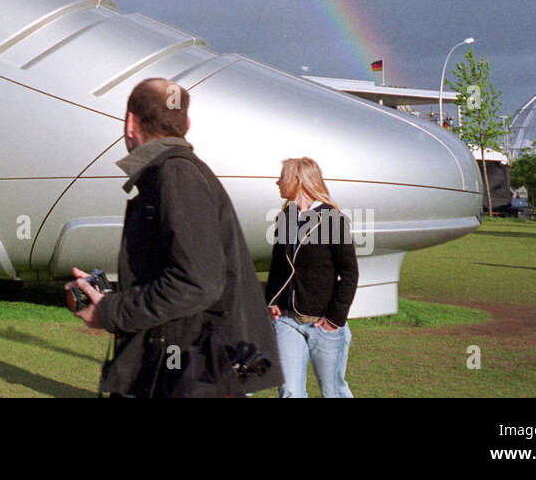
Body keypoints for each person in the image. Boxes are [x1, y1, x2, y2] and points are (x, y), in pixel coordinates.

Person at [69, 77, 281, 397]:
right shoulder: (171, 174)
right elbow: (185, 272)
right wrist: (109, 294)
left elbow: (198, 283)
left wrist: (111, 311)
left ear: (130, 123)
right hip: (176, 363)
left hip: (189, 370)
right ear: (186, 124)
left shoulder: (176, 175)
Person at [265, 156, 358, 398]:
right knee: (290, 391)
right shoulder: (285, 217)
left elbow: (349, 272)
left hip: (324, 324)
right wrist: (273, 300)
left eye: (282, 178)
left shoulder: (331, 219)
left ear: (297, 180)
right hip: (287, 322)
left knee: (333, 392)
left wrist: (334, 319)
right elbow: (278, 265)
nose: (277, 182)